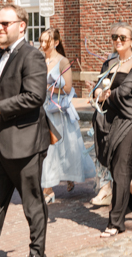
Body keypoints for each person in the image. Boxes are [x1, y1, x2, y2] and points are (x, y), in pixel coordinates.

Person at [0, 5, 52, 257]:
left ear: (21, 26)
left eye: (5, 24)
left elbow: (35, 96)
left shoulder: (31, 56)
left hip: (24, 144)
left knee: (32, 205)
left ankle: (37, 253)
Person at [93, 24, 132, 237]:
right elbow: (97, 87)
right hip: (107, 120)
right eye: (114, 37)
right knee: (116, 169)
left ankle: (115, 223)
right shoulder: (109, 63)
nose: (117, 40)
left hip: (128, 120)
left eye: (122, 37)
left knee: (120, 171)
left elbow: (126, 91)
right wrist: (99, 92)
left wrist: (105, 94)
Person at [39, 28, 95, 204]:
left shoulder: (63, 62)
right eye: (40, 41)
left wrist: (48, 88)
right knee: (47, 149)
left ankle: (69, 174)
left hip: (59, 110)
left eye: (45, 41)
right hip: (43, 109)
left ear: (55, 42)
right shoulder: (38, 60)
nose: (41, 45)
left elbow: (68, 88)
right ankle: (47, 187)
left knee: (66, 148)